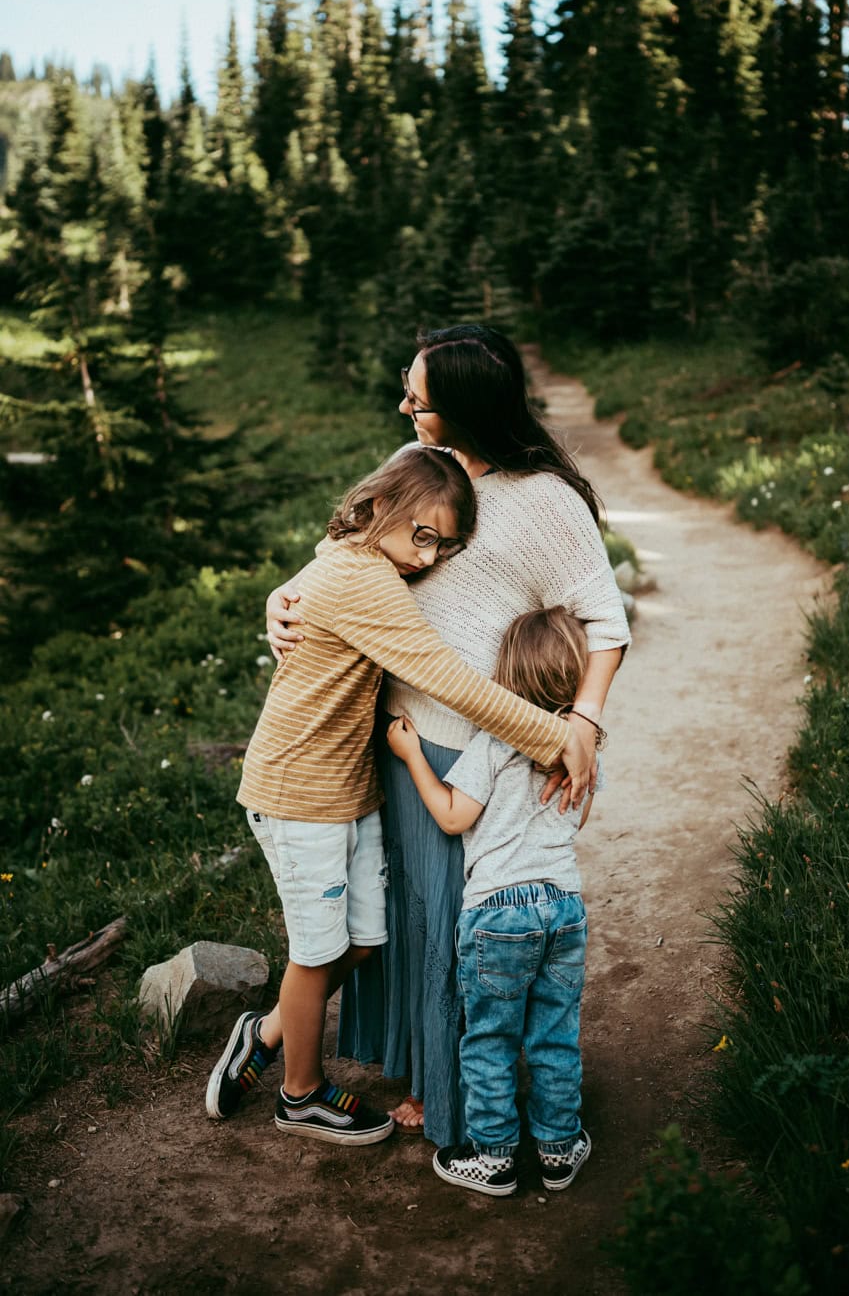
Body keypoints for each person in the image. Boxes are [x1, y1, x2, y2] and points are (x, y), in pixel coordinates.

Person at [267, 324, 629, 1144]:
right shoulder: (418, 469)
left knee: (467, 928)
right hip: (392, 741)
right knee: (406, 920)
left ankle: (460, 1098)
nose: (404, 404)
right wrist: (278, 598)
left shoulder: (543, 500)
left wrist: (580, 722)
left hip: (479, 749)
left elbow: (607, 622)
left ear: (462, 408)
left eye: (418, 396)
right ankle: (420, 1069)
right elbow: (338, 551)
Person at [205, 446, 588, 1145]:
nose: (428, 557)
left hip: (348, 790)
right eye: (422, 535)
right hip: (298, 791)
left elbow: (338, 545)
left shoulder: (366, 558)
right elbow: (448, 677)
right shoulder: (362, 581)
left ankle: (261, 1034)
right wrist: (557, 736)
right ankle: (299, 1094)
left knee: (362, 942)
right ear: (380, 507)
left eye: (444, 544)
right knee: (318, 954)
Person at [386, 606, 601, 1197]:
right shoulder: (582, 749)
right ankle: (559, 1150)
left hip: (497, 912)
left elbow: (454, 818)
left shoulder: (494, 741)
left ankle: (494, 1157)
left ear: (505, 678)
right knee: (554, 1033)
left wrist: (411, 758)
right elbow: (576, 816)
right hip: (562, 906)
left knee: (490, 1038)